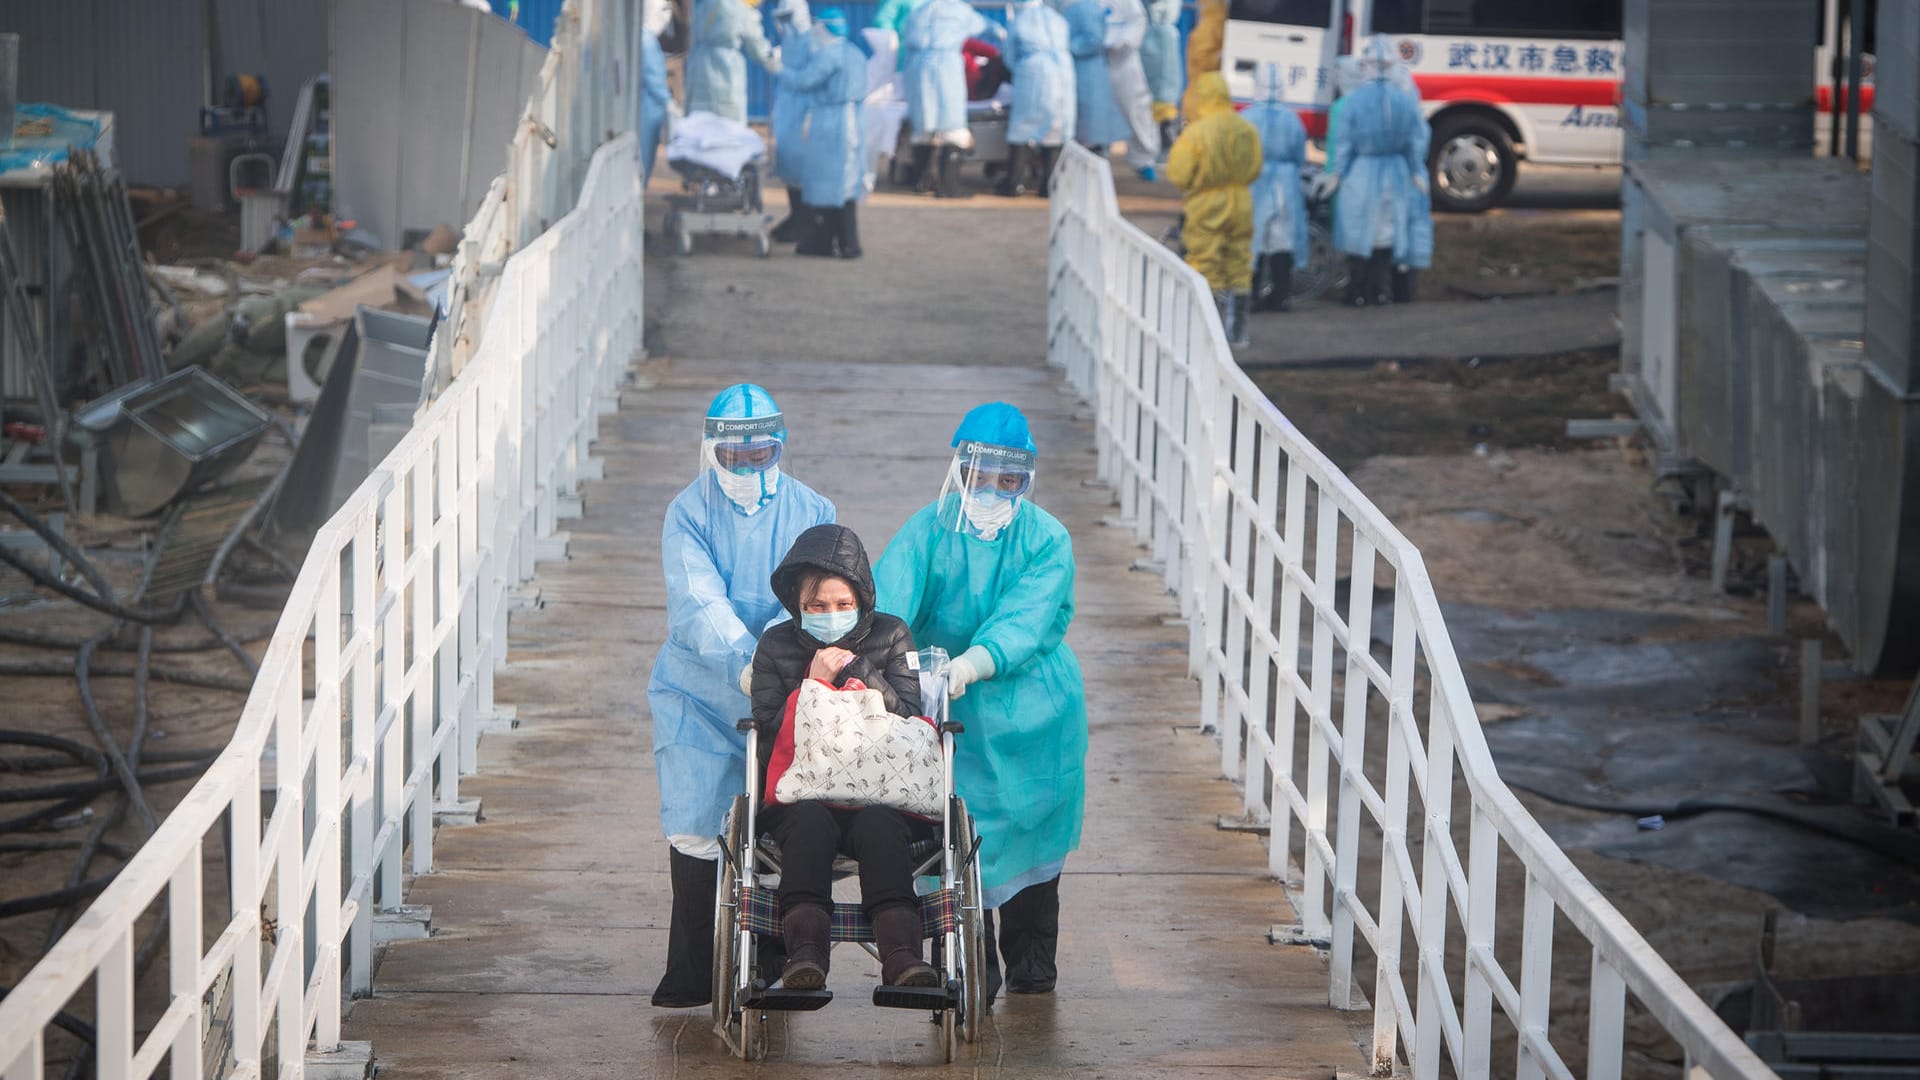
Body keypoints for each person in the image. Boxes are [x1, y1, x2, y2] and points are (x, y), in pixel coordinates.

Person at [873, 403, 1088, 1002]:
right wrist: (889, 662)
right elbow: (890, 606)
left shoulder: (1048, 540)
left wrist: (974, 662)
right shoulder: (927, 531)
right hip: (946, 706)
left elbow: (1027, 621)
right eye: (979, 476)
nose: (991, 490)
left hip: (1033, 711)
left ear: (1027, 479)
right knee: (954, 840)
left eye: (1009, 479)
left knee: (1031, 835)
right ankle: (974, 962)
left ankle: (1031, 959)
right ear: (958, 469)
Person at [649, 384, 837, 1009]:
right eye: (737, 458)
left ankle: (772, 961)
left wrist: (784, 668)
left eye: (763, 456)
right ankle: (692, 972)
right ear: (712, 453)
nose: (751, 469)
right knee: (697, 824)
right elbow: (698, 600)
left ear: (780, 449)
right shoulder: (688, 512)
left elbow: (825, 600)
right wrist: (746, 663)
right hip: (699, 691)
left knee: (780, 822)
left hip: (787, 690)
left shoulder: (812, 510)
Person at [750, 524, 938, 990]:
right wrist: (810, 684)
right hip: (804, 793)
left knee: (879, 825)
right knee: (809, 823)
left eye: (842, 604)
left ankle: (901, 956)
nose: (829, 615)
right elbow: (769, 735)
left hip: (883, 792)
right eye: (816, 606)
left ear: (862, 599)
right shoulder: (775, 646)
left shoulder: (893, 635)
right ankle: (805, 954)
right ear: (798, 604)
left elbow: (911, 720)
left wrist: (861, 670)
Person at [1326, 37, 1431, 307]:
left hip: (1362, 172)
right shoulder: (1405, 100)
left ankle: (1356, 291)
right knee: (1387, 233)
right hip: (1396, 174)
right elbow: (1417, 139)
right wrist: (1416, 169)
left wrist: (1336, 174)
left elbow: (1344, 143)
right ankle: (1379, 291)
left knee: (1359, 231)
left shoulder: (1355, 101)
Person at [1166, 72, 1261, 347]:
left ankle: (1205, 333)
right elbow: (1255, 166)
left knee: (1204, 262)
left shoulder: (1196, 132)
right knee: (1239, 261)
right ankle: (1237, 332)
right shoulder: (1245, 128)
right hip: (1241, 200)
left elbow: (1180, 173)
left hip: (1207, 202)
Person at [791, 8, 869, 258]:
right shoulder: (855, 52)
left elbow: (804, 82)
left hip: (831, 123)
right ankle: (846, 242)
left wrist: (777, 68)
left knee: (828, 183)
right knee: (844, 184)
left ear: (823, 28)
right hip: (852, 121)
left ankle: (829, 243)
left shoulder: (828, 55)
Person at [902, 0, 990, 198]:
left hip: (917, 69)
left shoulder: (918, 13)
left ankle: (921, 181)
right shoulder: (959, 11)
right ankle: (948, 186)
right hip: (945, 69)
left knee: (923, 125)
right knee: (952, 128)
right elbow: (981, 25)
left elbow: (906, 36)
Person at [1245, 63, 1310, 312]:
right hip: (1286, 184)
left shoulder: (1247, 117)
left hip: (1255, 182)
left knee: (1255, 240)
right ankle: (1281, 296)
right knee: (1282, 241)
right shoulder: (1291, 118)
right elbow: (1299, 156)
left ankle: (1251, 295)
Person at [996, 0, 1075, 197]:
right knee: (1055, 128)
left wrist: (1020, 69)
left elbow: (1009, 55)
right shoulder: (1059, 20)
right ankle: (1050, 185)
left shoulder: (1020, 20)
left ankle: (1013, 182)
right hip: (1063, 73)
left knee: (1022, 128)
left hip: (1031, 74)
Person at [686, 0, 779, 124]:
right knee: (729, 130)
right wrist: (775, 58)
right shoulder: (739, 9)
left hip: (698, 72)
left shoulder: (703, 6)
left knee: (699, 127)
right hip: (726, 76)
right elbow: (758, 49)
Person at [769, 0, 815, 241]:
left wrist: (780, 71)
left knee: (802, 166)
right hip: (788, 109)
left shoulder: (811, 41)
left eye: (789, 18)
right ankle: (795, 214)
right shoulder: (788, 41)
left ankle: (805, 219)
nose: (784, 23)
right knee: (787, 163)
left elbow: (808, 78)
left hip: (804, 111)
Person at [1059, 0, 1129, 158]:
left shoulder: (1084, 7)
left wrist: (1065, 47)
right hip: (1082, 70)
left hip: (1088, 72)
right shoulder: (1077, 6)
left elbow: (1093, 38)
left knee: (1091, 128)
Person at [1102, 0, 1161, 177]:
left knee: (1136, 109)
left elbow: (1138, 21)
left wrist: (1124, 43)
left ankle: (1143, 160)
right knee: (1091, 112)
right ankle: (1098, 153)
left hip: (1124, 62)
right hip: (1092, 61)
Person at [1139, 0, 1183, 154]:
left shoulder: (1163, 31)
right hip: (1151, 33)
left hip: (1158, 35)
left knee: (1163, 92)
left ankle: (1165, 143)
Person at [640, 0, 673, 182]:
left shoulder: (649, 40)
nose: (665, 18)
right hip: (646, 112)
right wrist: (669, 103)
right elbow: (654, 80)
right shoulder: (646, 41)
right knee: (642, 157)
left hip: (650, 111)